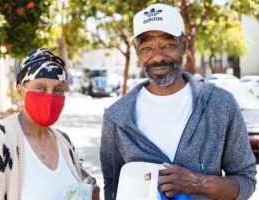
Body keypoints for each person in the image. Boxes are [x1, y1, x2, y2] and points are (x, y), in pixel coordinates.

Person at [100, 3, 256, 200]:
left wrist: (197, 183)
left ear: (184, 44)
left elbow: (246, 181)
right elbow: (113, 186)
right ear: (137, 51)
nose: (158, 57)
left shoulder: (220, 105)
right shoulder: (116, 118)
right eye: (147, 48)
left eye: (168, 45)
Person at [0, 48, 100, 200]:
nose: (50, 97)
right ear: (21, 91)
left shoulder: (65, 144)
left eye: (58, 89)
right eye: (40, 88)